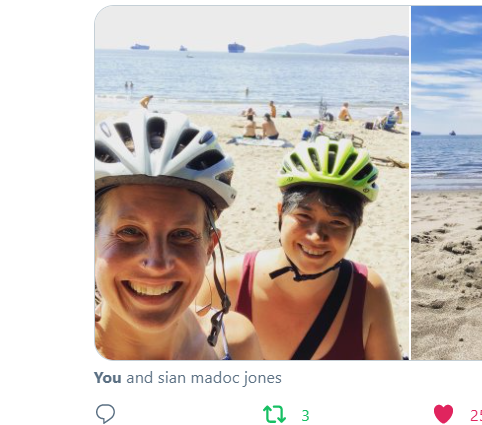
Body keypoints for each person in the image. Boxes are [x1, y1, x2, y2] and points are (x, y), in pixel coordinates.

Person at [199, 136, 401, 360]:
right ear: (280, 213)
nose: (316, 236)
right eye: (304, 216)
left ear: (356, 227)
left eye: (337, 223)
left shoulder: (368, 292)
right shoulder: (224, 281)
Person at [94, 109, 262, 360]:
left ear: (209, 247)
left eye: (182, 234)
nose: (157, 264)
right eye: (129, 232)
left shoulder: (236, 343)